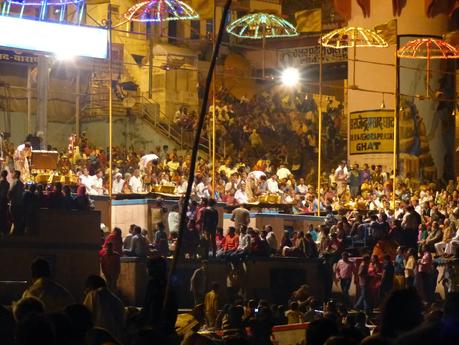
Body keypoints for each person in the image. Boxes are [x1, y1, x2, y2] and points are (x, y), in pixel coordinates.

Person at [83, 275, 125, 343]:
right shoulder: (117, 300)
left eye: (86, 288)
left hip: (98, 339)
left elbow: (84, 316)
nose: (84, 292)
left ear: (90, 286)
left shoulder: (93, 295)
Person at [8, 170, 25, 235]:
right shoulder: (21, 183)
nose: (12, 175)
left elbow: (10, 192)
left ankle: (13, 232)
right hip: (19, 203)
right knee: (17, 218)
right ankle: (17, 231)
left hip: (14, 203)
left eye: (13, 174)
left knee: (13, 217)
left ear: (16, 175)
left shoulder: (14, 182)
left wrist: (9, 199)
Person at [0, 170, 10, 236]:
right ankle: (4, 229)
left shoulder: (1, 182)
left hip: (1, 200)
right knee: (4, 215)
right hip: (5, 200)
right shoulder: (7, 183)